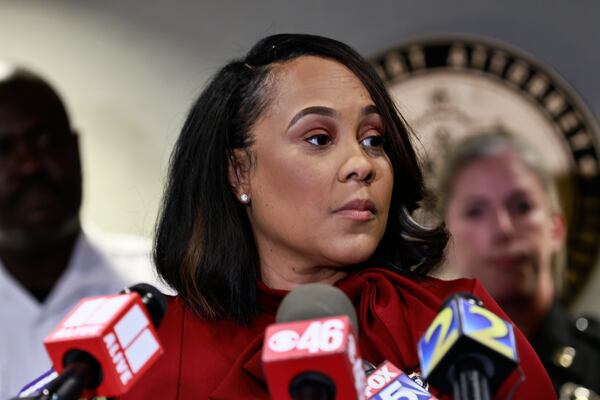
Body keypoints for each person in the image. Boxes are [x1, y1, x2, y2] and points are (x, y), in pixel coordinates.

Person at [122, 34, 554, 399]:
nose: (360, 164)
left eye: (372, 140)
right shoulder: (151, 350)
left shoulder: (456, 323)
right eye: (318, 138)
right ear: (239, 171)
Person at [0, 65, 154, 398]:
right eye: (2, 149)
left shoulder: (164, 285)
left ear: (74, 148)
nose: (29, 165)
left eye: (43, 140)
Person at [436, 130, 600, 396]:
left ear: (556, 229)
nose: (503, 228)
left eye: (522, 207)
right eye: (475, 211)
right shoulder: (419, 378)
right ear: (446, 241)